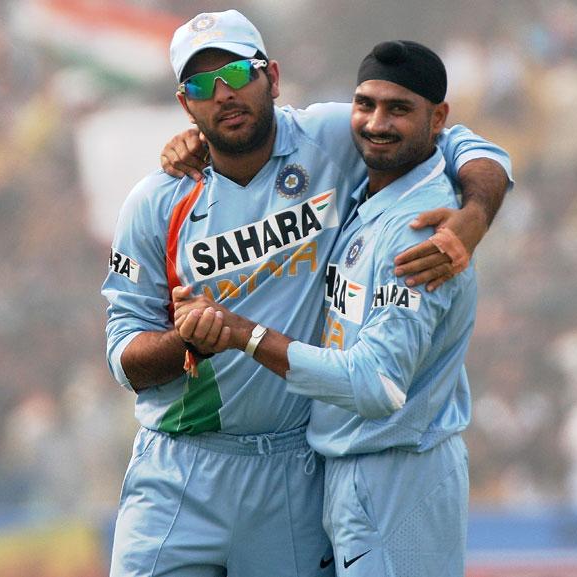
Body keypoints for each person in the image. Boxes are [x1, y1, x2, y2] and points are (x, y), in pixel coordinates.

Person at [102, 9, 512, 577]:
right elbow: (123, 357)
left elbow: (460, 138)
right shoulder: (154, 201)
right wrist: (188, 343)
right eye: (201, 84)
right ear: (185, 105)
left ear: (272, 75)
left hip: (294, 471)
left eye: (239, 74)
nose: (224, 94)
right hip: (180, 467)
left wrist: (475, 215)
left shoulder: (333, 134)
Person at [175, 39, 476, 577]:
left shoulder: (422, 232)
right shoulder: (368, 194)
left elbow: (376, 386)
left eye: (399, 109)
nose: (376, 123)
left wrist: (245, 335)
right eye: (366, 105)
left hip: (399, 477)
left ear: (439, 120)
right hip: (349, 476)